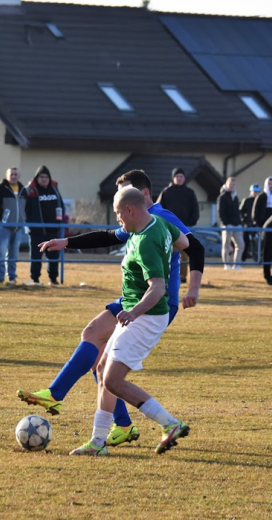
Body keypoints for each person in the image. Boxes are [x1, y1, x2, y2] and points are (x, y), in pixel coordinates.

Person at [17, 169, 205, 448]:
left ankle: (157, 423)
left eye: (118, 206)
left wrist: (192, 288)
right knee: (97, 353)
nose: (116, 214)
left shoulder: (157, 224)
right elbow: (110, 237)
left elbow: (194, 249)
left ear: (136, 200)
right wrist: (67, 242)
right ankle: (110, 431)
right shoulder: (139, 224)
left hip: (150, 304)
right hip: (133, 300)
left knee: (110, 374)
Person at [67, 187, 190, 456]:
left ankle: (170, 424)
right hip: (141, 313)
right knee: (101, 368)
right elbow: (185, 244)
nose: (118, 219)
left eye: (118, 213)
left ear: (130, 209)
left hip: (146, 316)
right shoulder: (161, 224)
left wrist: (133, 313)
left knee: (112, 379)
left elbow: (157, 288)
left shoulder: (146, 241)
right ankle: (98, 443)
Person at [157, 167, 200, 283]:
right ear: (173, 178)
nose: (179, 178)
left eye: (181, 176)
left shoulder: (189, 193)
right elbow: (158, 208)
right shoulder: (166, 192)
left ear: (184, 178)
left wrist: (191, 222)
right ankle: (165, 275)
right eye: (177, 176)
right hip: (168, 228)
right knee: (167, 251)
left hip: (184, 228)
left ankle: (183, 277)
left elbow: (195, 210)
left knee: (184, 253)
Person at [26, 166, 65, 285]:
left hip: (53, 231)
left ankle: (53, 279)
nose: (44, 179)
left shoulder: (54, 190)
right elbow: (26, 210)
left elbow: (61, 206)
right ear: (37, 178)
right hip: (37, 231)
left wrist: (60, 221)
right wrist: (31, 224)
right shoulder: (31, 191)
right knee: (36, 257)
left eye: (46, 177)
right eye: (41, 177)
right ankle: (35, 279)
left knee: (54, 257)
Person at [0, 167, 27, 284]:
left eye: (15, 174)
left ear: (19, 176)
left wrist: (23, 220)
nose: (13, 176)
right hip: (4, 226)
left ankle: (12, 277)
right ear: (7, 176)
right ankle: (0, 278)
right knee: (1, 253)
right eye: (11, 174)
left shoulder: (23, 190)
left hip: (18, 227)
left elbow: (25, 207)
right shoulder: (1, 189)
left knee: (13, 255)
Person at [217, 176, 244, 270]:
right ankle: (226, 264)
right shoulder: (222, 197)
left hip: (237, 224)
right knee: (226, 244)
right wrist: (225, 223)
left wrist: (239, 222)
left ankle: (237, 264)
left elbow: (237, 211)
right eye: (230, 184)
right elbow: (221, 212)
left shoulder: (235, 197)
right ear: (226, 184)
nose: (232, 186)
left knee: (240, 245)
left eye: (233, 184)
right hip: (227, 224)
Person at [240, 184, 261, 262]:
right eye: (254, 192)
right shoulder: (246, 200)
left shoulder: (259, 201)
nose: (256, 193)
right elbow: (241, 212)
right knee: (245, 242)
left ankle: (257, 258)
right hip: (247, 225)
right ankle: (243, 258)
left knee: (257, 242)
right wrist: (244, 220)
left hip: (256, 225)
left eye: (257, 192)